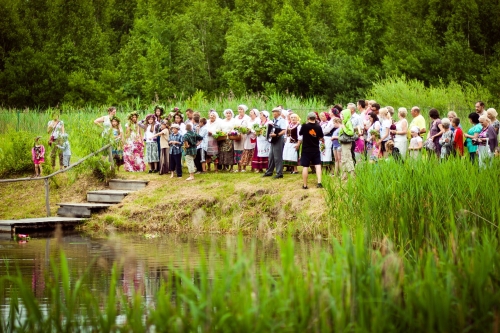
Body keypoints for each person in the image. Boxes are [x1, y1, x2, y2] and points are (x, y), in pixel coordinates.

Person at [298, 112, 324, 189]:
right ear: (315, 118)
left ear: (308, 118)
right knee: (318, 165)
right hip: (315, 148)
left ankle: (305, 185)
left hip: (306, 149)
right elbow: (321, 136)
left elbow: (300, 133)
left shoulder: (305, 126)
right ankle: (319, 182)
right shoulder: (318, 127)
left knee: (305, 166)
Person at [263, 107, 287, 179]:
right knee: (271, 156)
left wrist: (277, 135)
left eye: (275, 112)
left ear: (279, 113)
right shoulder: (273, 120)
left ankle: (279, 173)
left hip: (279, 139)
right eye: (273, 112)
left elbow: (284, 130)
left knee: (277, 157)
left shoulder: (281, 120)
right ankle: (269, 171)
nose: (273, 113)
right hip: (273, 140)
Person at [339, 109, 356, 180]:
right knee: (343, 158)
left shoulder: (348, 122)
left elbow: (351, 132)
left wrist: (344, 128)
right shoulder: (344, 122)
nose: (341, 116)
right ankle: (344, 174)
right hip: (343, 143)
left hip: (347, 143)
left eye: (342, 114)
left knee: (348, 158)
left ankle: (352, 174)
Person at [233, 105, 250, 172]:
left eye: (241, 109)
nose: (240, 110)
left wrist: (242, 128)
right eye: (239, 109)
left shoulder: (247, 118)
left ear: (244, 110)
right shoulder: (236, 117)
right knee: (237, 151)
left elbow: (248, 127)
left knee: (243, 151)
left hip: (243, 135)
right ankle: (238, 167)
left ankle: (244, 167)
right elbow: (233, 125)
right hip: (236, 135)